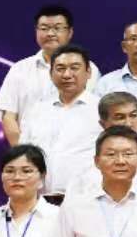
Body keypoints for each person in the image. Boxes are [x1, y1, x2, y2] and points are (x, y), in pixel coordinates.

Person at [18, 45, 102, 199]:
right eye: (60, 68)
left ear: (88, 72)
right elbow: (23, 153)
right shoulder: (37, 110)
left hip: (84, 199)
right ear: (51, 74)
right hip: (39, 200)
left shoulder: (101, 110)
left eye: (74, 68)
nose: (67, 74)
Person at [0, 4, 75, 146]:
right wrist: (22, 153)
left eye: (57, 28)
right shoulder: (20, 69)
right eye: (44, 28)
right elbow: (8, 117)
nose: (50, 33)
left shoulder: (88, 70)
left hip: (73, 153)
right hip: (29, 152)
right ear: (36, 31)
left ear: (70, 32)